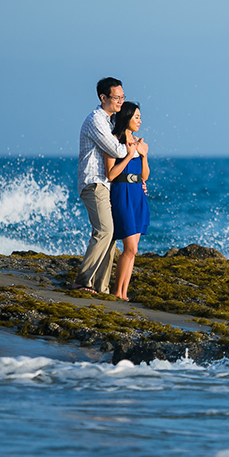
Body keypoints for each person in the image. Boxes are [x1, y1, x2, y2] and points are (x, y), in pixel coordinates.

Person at [73, 77, 131, 294]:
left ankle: (101, 286)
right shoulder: (96, 120)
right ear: (103, 97)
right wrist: (133, 150)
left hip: (104, 184)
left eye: (122, 97)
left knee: (110, 233)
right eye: (117, 98)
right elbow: (115, 150)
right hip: (93, 182)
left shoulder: (108, 121)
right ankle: (82, 281)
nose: (120, 102)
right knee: (104, 230)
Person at [105, 101, 150, 300]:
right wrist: (129, 154)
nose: (140, 121)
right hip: (122, 193)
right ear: (127, 117)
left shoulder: (139, 142)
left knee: (133, 250)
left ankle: (124, 292)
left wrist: (143, 155)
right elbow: (111, 175)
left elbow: (145, 176)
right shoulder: (113, 140)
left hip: (137, 195)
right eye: (136, 117)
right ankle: (117, 291)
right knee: (129, 247)